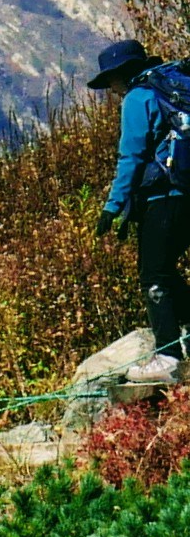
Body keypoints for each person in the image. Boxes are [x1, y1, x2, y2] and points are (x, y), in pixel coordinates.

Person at [94, 39, 190, 348]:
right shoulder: (173, 90)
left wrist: (113, 207)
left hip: (163, 197)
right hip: (185, 193)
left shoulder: (138, 98)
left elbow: (131, 157)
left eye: (110, 79)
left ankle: (168, 353)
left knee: (154, 277)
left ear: (122, 73)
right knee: (162, 269)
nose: (111, 88)